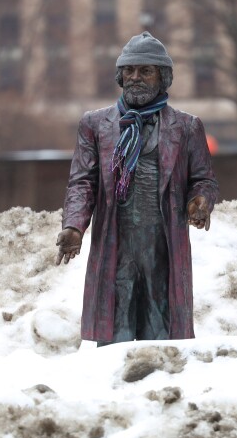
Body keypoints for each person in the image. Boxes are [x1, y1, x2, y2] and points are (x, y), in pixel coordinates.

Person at [56, 31, 219, 345]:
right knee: (115, 326)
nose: (135, 77)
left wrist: (200, 200)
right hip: (117, 244)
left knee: (162, 329)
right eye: (129, 70)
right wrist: (74, 226)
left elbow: (203, 178)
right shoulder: (94, 124)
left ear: (162, 77)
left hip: (163, 243)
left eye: (146, 70)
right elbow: (82, 182)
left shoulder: (186, 127)